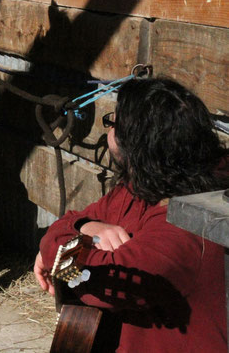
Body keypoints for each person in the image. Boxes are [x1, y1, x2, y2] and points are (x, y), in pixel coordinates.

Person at [34, 77, 228, 352]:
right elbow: (71, 222)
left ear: (138, 143)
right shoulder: (140, 187)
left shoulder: (187, 226)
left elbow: (88, 277)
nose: (109, 128)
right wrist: (87, 226)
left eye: (113, 122)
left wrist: (54, 251)